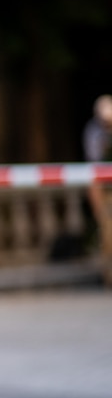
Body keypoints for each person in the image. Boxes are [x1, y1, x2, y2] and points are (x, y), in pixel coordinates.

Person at [83, 94, 112, 285]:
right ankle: (109, 277)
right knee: (107, 233)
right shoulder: (93, 133)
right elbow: (93, 173)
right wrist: (96, 204)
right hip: (106, 189)